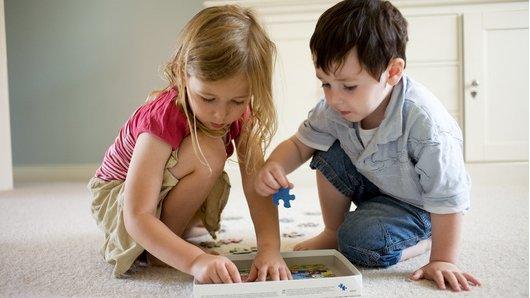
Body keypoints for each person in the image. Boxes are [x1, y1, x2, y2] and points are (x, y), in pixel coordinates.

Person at [254, 0, 481, 292]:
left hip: (420, 208)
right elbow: (300, 145)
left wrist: (443, 258)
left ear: (393, 72)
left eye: (348, 86)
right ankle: (332, 230)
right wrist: (275, 165)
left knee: (360, 240)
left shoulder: (427, 126)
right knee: (326, 150)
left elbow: (448, 196)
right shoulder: (334, 108)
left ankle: (423, 241)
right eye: (325, 83)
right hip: (376, 183)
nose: (334, 99)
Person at [88, 5, 292, 284]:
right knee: (208, 152)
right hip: (121, 201)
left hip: (161, 189)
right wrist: (195, 261)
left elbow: (257, 184)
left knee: (214, 154)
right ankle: (159, 252)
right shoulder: (161, 118)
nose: (221, 115)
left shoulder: (241, 114)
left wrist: (270, 250)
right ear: (182, 75)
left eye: (237, 101)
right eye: (207, 98)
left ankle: (171, 237)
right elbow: (137, 215)